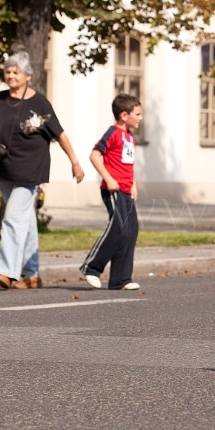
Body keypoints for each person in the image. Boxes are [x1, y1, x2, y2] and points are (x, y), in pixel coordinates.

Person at [0, 51, 85, 289]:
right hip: (4, 168)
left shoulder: (39, 103)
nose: (10, 76)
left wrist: (74, 161)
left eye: (16, 72)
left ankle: (7, 271)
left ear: (28, 76)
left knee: (12, 218)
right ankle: (31, 273)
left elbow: (59, 133)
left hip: (30, 169)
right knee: (26, 219)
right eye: (8, 72)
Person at [79, 94, 142, 291]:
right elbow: (95, 155)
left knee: (130, 231)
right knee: (118, 228)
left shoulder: (130, 136)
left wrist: (133, 184)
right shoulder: (113, 133)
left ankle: (120, 279)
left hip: (126, 189)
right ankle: (92, 267)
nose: (140, 118)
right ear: (124, 115)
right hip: (113, 189)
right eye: (137, 114)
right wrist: (108, 178)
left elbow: (128, 164)